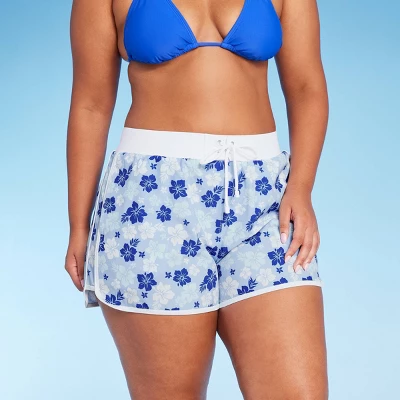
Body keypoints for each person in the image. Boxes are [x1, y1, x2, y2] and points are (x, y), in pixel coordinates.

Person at [65, 0, 329, 398]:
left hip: (263, 201)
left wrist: (301, 187)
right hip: (151, 205)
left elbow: (308, 88)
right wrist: (78, 224)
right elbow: (90, 105)